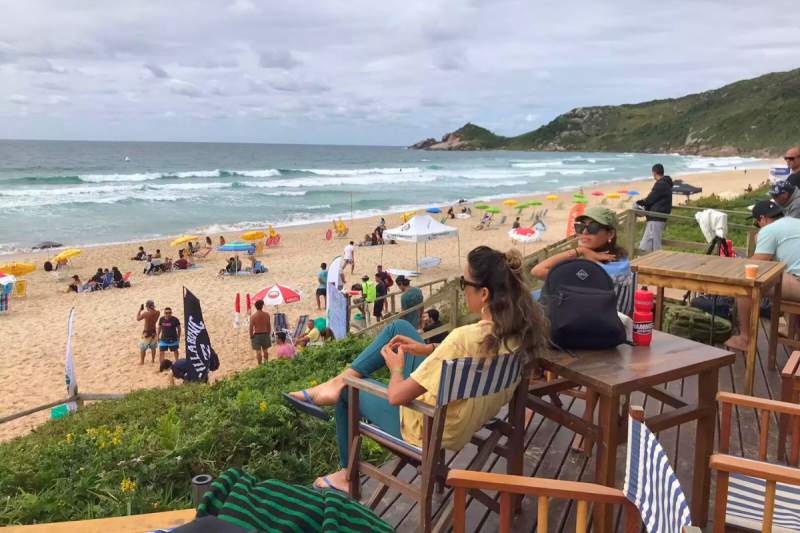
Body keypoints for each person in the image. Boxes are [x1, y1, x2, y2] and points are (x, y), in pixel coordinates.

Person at [287, 246, 547, 493]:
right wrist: (430, 349)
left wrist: (396, 369)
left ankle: (345, 473)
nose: (463, 288)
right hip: (465, 417)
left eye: (464, 283)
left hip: (429, 426)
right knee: (399, 329)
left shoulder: (464, 338)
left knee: (348, 392)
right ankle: (335, 384)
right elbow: (469, 355)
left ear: (484, 294)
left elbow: (396, 396)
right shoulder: (518, 332)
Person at [725, 200, 800, 351]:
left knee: (746, 284)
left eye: (756, 223)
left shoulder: (769, 229)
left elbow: (759, 264)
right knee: (786, 274)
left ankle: (745, 339)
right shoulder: (796, 222)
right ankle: (795, 333)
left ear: (763, 219)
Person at [531, 206, 634, 314]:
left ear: (610, 234)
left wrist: (579, 250)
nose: (584, 231)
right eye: (580, 227)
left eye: (593, 227)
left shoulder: (588, 272)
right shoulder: (621, 261)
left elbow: (537, 271)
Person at [635, 163, 673, 252]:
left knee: (655, 244)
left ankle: (657, 263)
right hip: (656, 218)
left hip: (656, 217)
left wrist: (641, 203)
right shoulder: (666, 184)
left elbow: (650, 198)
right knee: (645, 243)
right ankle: (640, 260)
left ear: (654, 173)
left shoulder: (661, 184)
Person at [249, 300, 272, 364]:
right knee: (265, 350)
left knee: (258, 351)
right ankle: (266, 362)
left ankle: (260, 364)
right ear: (262, 306)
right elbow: (268, 325)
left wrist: (251, 335)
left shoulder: (253, 316)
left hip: (257, 334)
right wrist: (269, 333)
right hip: (265, 333)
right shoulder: (266, 315)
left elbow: (251, 327)